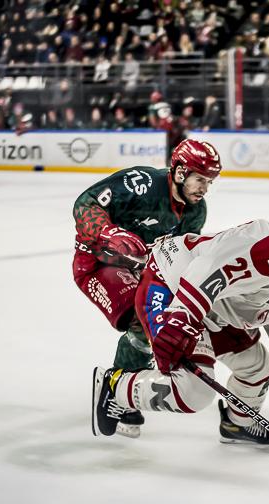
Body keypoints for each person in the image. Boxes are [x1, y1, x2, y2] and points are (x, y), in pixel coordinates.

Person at [92, 198, 269, 444]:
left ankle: (237, 424)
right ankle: (115, 386)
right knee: (194, 392)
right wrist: (182, 318)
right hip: (169, 285)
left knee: (258, 367)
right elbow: (207, 268)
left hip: (212, 308)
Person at [74, 139, 222, 437]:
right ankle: (115, 389)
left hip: (144, 270)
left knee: (157, 318)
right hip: (97, 264)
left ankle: (122, 388)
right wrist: (108, 232)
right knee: (139, 320)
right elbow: (85, 204)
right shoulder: (141, 184)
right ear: (180, 172)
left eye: (210, 181)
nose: (205, 188)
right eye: (200, 179)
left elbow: (180, 256)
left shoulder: (195, 212)